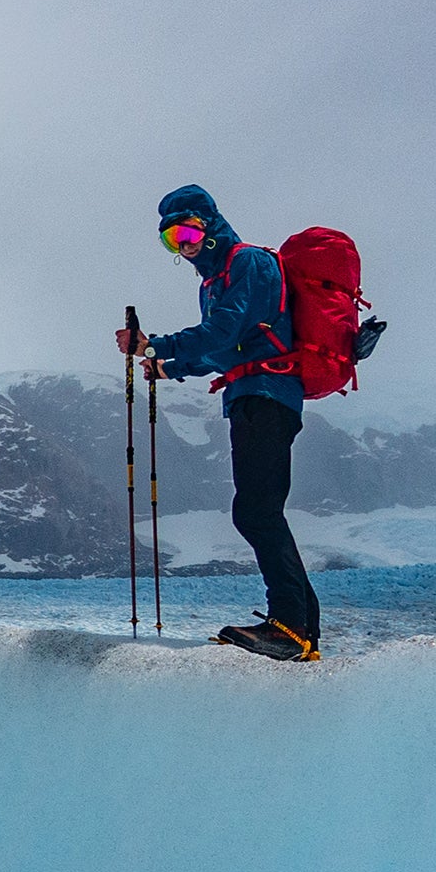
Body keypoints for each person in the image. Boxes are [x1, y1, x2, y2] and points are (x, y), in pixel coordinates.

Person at [120, 185, 319, 660]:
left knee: (256, 511)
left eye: (188, 232)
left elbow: (222, 332)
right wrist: (165, 366)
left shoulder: (250, 263)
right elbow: (222, 350)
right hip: (250, 394)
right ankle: (301, 633)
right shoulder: (214, 281)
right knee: (259, 509)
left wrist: (155, 346)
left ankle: (290, 627)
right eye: (172, 240)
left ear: (209, 225)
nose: (184, 246)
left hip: (267, 396)